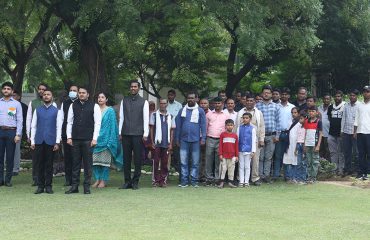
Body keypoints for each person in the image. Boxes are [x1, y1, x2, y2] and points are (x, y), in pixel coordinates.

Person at [66, 86, 102, 194]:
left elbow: (97, 123)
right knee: (75, 164)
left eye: (83, 92)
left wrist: (95, 138)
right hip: (75, 139)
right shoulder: (73, 105)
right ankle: (74, 187)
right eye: (80, 92)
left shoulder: (94, 106)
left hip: (88, 140)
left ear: (88, 94)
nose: (81, 94)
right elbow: (69, 122)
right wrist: (69, 137)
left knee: (87, 164)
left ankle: (87, 187)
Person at [119, 80, 149, 190]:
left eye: (135, 86)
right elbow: (121, 117)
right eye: (131, 86)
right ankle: (127, 182)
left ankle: (135, 181)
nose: (133, 88)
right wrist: (119, 132)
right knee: (126, 159)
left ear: (139, 88)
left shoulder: (144, 102)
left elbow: (146, 119)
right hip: (126, 133)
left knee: (137, 159)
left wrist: (145, 133)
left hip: (138, 134)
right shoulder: (124, 101)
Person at [30, 90, 62, 194]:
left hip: (51, 141)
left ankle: (48, 186)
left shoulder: (57, 111)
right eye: (44, 95)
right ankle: (40, 186)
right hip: (39, 141)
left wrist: (57, 142)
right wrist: (32, 141)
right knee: (39, 164)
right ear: (42, 97)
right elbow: (33, 126)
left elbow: (59, 127)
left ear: (52, 97)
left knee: (49, 164)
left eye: (48, 94)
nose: (46, 96)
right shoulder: (38, 110)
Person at [175, 91, 206, 187]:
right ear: (186, 99)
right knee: (183, 161)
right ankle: (184, 181)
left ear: (196, 99)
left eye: (192, 98)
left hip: (196, 140)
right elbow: (178, 126)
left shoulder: (200, 111)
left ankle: (194, 181)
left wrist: (203, 138)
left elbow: (203, 125)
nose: (190, 100)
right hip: (183, 140)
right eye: (189, 98)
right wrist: (177, 139)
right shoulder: (182, 110)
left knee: (195, 162)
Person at [92, 92, 123, 189]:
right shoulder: (94, 110)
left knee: (104, 162)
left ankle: (103, 180)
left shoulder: (110, 111)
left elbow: (113, 126)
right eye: (99, 97)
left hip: (106, 140)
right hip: (95, 139)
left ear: (106, 100)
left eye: (102, 97)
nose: (100, 99)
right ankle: (97, 179)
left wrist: (111, 140)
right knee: (95, 162)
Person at [26, 83, 53, 185]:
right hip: (37, 135)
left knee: (48, 160)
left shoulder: (52, 104)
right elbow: (29, 119)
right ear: (38, 90)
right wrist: (28, 135)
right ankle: (36, 179)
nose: (41, 91)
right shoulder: (33, 103)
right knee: (36, 159)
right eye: (40, 89)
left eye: (44, 89)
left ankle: (46, 180)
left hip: (49, 136)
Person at [235, 93, 265, 186]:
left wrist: (261, 139)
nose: (249, 102)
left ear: (255, 102)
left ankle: (255, 178)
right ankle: (240, 179)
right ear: (245, 101)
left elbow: (262, 126)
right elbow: (236, 127)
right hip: (242, 140)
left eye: (251, 100)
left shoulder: (258, 113)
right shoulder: (240, 112)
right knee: (241, 161)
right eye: (247, 100)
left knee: (255, 160)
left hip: (254, 140)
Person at [256, 85, 280, 183]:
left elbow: (278, 122)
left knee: (268, 157)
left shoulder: (276, 106)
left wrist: (277, 135)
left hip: (272, 135)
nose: (266, 94)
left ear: (271, 94)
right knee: (260, 157)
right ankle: (259, 176)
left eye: (268, 93)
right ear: (262, 94)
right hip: (260, 136)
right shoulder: (257, 106)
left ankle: (266, 176)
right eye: (264, 92)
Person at [0, 82, 22, 187]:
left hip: (11, 132)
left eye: (8, 89)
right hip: (0, 131)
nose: (6, 90)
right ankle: (0, 180)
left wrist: (18, 134)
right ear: (2, 90)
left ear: (12, 91)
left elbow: (19, 120)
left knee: (10, 157)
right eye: (4, 88)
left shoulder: (16, 104)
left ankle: (8, 180)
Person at [150, 98, 175, 187]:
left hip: (166, 143)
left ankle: (163, 180)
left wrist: (171, 143)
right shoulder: (154, 115)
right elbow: (151, 129)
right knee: (156, 162)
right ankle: (155, 181)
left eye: (164, 103)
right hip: (157, 143)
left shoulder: (171, 116)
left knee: (165, 163)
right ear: (159, 104)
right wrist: (152, 142)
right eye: (161, 103)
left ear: (167, 104)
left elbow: (172, 130)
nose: (162, 105)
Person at [205, 97, 229, 186]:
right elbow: (205, 127)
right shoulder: (209, 114)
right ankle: (208, 178)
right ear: (213, 104)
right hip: (210, 138)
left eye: (219, 103)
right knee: (209, 159)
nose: (217, 105)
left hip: (221, 140)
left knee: (219, 160)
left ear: (222, 104)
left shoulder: (226, 115)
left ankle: (217, 178)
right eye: (216, 103)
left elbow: (227, 128)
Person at [273, 87, 294, 180]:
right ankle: (276, 175)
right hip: (278, 133)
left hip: (288, 133)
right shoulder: (275, 106)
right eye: (283, 94)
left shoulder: (292, 107)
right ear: (280, 95)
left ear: (289, 96)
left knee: (287, 154)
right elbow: (275, 120)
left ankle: (287, 175)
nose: (284, 96)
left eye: (286, 94)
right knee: (277, 155)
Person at [60, 84, 78, 186]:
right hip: (66, 134)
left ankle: (75, 179)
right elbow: (61, 119)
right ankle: (68, 179)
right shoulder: (65, 103)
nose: (72, 92)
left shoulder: (81, 103)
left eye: (74, 90)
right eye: (71, 90)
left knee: (76, 158)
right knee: (67, 158)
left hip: (78, 135)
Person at [341, 89, 359, 176]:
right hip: (346, 132)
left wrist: (357, 132)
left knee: (356, 152)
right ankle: (347, 169)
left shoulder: (359, 105)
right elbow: (343, 118)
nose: (352, 97)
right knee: (347, 152)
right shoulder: (346, 105)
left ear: (357, 96)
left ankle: (356, 170)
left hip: (356, 133)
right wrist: (342, 130)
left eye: (353, 95)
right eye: (350, 95)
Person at [354, 86, 370, 180]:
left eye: (368, 91)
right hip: (360, 132)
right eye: (364, 91)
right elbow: (356, 118)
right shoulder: (359, 105)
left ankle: (368, 173)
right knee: (361, 154)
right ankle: (361, 173)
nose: (366, 93)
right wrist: (355, 131)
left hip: (369, 132)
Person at [327, 90, 345, 175]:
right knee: (333, 152)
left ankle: (341, 169)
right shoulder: (330, 107)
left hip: (341, 133)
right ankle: (334, 169)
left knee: (341, 152)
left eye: (339, 96)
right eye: (336, 96)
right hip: (331, 133)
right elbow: (330, 119)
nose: (337, 98)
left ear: (342, 97)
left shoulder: (345, 106)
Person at [237, 113, 256, 187]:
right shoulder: (239, 128)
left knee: (247, 166)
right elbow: (237, 139)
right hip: (240, 149)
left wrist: (253, 151)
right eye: (244, 118)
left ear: (250, 119)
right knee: (241, 166)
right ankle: (241, 181)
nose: (245, 119)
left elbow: (254, 140)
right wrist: (237, 150)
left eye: (247, 118)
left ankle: (246, 181)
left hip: (248, 150)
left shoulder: (252, 128)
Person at [166, 89, 182, 180]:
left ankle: (180, 176)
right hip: (165, 131)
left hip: (176, 132)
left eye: (172, 95)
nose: (170, 96)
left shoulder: (179, 105)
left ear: (175, 96)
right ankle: (165, 175)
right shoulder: (165, 104)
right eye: (169, 95)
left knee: (177, 155)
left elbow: (179, 120)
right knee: (166, 154)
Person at [304, 106, 323, 183]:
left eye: (313, 111)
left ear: (316, 112)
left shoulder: (319, 122)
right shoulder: (306, 121)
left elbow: (321, 134)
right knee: (308, 161)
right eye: (310, 111)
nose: (311, 113)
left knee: (314, 161)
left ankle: (313, 177)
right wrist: (304, 144)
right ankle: (309, 177)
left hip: (314, 144)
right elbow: (305, 133)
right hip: (307, 144)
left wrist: (318, 145)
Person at [218, 119, 238, 188]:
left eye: (231, 125)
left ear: (233, 126)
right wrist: (220, 154)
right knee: (223, 169)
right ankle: (221, 183)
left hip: (232, 156)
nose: (229, 127)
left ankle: (230, 182)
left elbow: (236, 146)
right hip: (224, 155)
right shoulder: (222, 135)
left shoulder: (235, 135)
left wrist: (236, 156)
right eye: (228, 125)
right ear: (225, 126)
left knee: (231, 169)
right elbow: (220, 145)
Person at [11, 90, 28, 175]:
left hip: (19, 131)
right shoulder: (11, 106)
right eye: (12, 95)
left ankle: (15, 169)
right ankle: (9, 167)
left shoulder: (24, 107)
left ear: (19, 96)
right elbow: (10, 118)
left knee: (16, 150)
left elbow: (25, 120)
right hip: (10, 130)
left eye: (14, 95)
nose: (13, 97)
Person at [282, 107, 300, 183]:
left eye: (295, 112)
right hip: (289, 143)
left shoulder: (300, 123)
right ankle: (288, 176)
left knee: (295, 160)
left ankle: (294, 177)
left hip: (295, 143)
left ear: (298, 113)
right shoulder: (289, 121)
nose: (293, 114)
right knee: (287, 160)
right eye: (292, 112)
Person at [199, 98, 210, 182]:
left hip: (208, 138)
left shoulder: (211, 113)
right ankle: (198, 175)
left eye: (205, 103)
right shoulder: (196, 112)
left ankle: (205, 176)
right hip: (197, 137)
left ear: (208, 104)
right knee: (197, 157)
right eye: (201, 103)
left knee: (206, 158)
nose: (203, 104)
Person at [318, 94, 331, 161]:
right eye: (325, 98)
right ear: (323, 99)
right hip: (320, 132)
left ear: (330, 100)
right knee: (320, 148)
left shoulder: (332, 108)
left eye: (327, 99)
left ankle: (328, 164)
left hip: (328, 132)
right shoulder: (319, 108)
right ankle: (321, 164)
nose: (326, 100)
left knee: (327, 149)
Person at [295, 113, 307, 184]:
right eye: (299, 118)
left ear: (305, 119)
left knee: (303, 163)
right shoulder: (299, 127)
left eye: (301, 118)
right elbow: (297, 137)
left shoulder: (306, 127)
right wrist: (295, 148)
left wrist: (305, 145)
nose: (300, 120)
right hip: (298, 144)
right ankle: (298, 178)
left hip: (303, 145)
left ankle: (303, 178)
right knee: (298, 163)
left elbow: (306, 137)